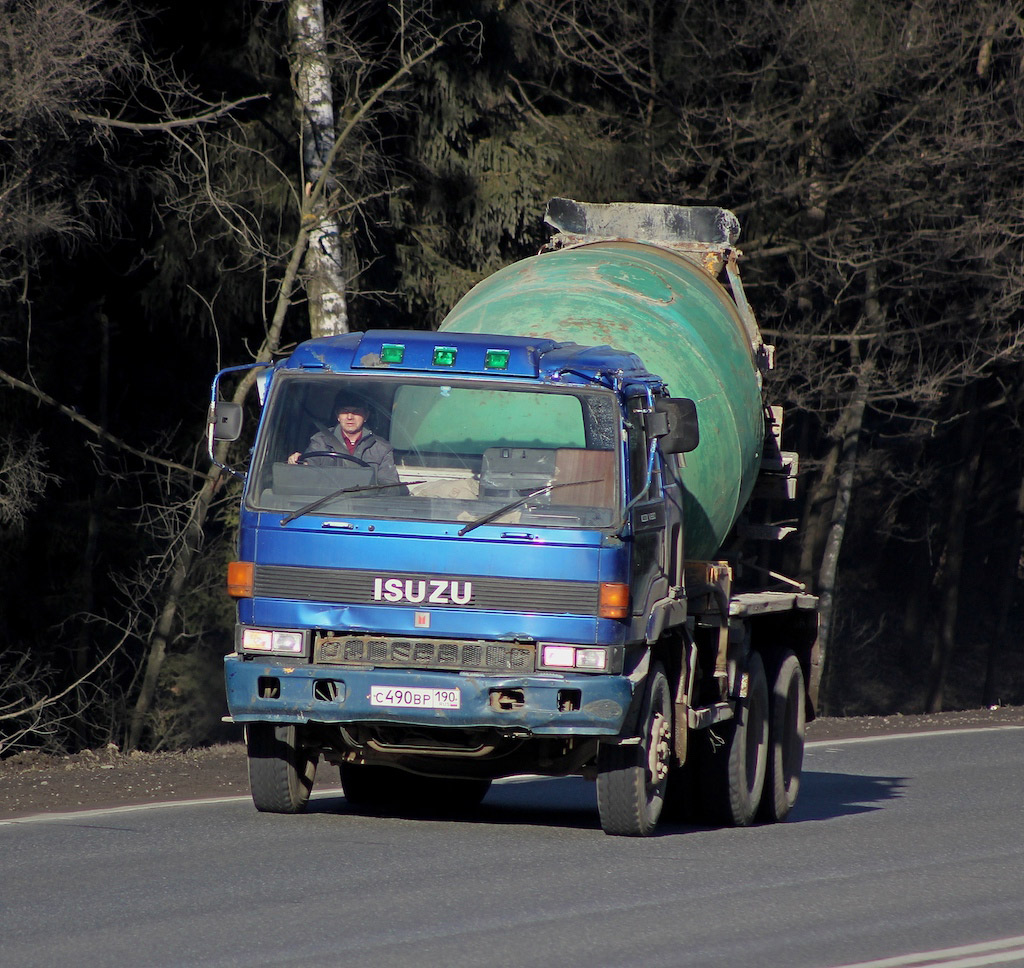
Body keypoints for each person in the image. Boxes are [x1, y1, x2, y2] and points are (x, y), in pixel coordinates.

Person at [288, 395, 402, 487]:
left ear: (366, 416)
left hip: (365, 508)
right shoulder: (320, 441)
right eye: (345, 411)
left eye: (356, 411)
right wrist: (298, 463)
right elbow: (307, 476)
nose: (349, 417)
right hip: (326, 505)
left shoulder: (381, 448)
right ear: (338, 416)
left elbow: (391, 487)